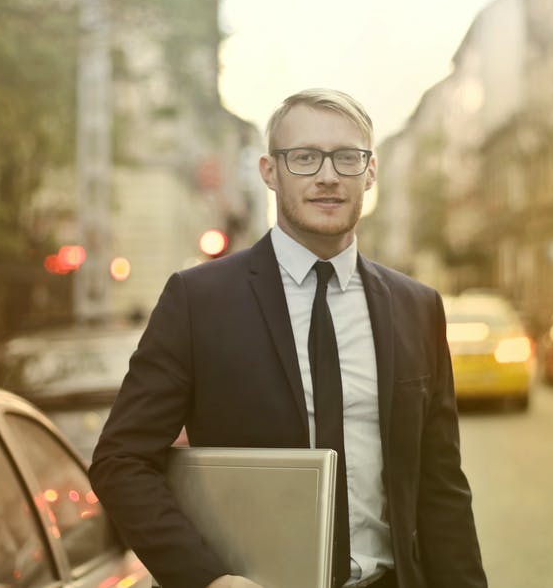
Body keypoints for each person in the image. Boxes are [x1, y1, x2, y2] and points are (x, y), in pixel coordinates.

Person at [89, 88, 487, 588]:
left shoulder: (416, 307)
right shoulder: (199, 300)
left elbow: (442, 486)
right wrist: (206, 579)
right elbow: (119, 461)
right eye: (303, 158)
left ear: (370, 172)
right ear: (269, 171)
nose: (327, 175)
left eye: (347, 157)